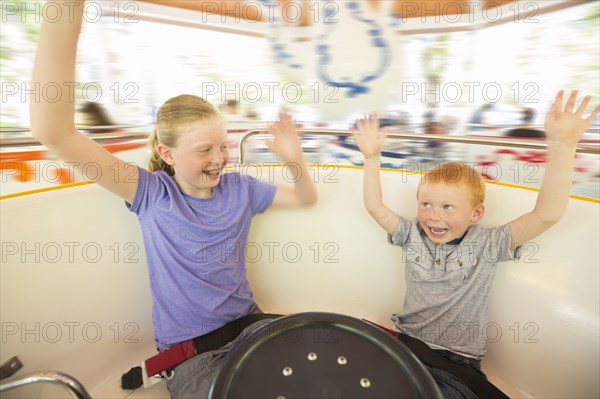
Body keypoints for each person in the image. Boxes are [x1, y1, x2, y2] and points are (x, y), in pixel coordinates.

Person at [30, 2, 317, 398]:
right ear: (167, 154)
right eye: (204, 150)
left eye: (223, 146)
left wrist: (295, 160)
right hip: (191, 352)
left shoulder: (242, 188)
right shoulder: (150, 194)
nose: (218, 159)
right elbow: (55, 132)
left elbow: (305, 198)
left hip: (249, 326)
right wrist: (64, 12)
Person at [352, 91, 599, 398]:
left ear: (476, 213)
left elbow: (546, 214)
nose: (433, 216)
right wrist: (371, 157)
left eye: (447, 207)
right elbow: (375, 207)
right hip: (409, 343)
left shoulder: (488, 244)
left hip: (457, 360)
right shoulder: (411, 233)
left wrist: (562, 147)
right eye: (426, 204)